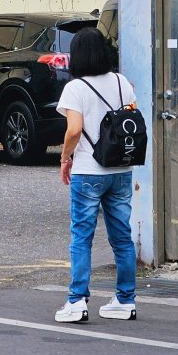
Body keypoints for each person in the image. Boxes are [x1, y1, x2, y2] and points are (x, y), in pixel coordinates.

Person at [53, 26, 137, 323]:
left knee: (81, 237)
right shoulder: (121, 82)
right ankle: (125, 300)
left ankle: (76, 301)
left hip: (89, 171)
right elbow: (130, 118)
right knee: (122, 238)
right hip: (121, 169)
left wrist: (65, 157)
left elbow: (74, 129)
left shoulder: (75, 89)